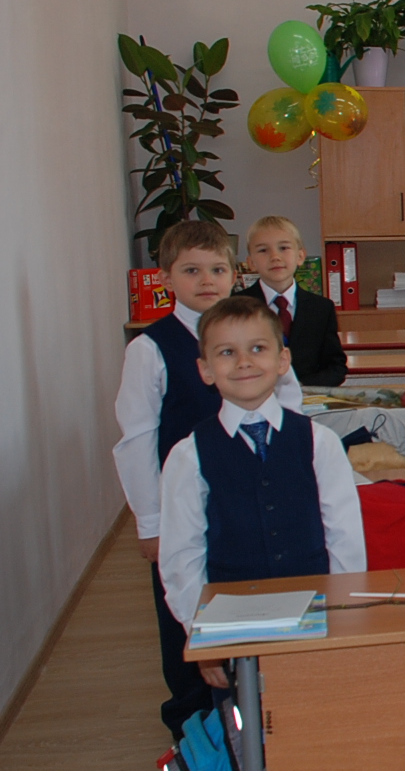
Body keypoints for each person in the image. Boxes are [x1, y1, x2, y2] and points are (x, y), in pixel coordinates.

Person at [114, 220, 306, 734]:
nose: (207, 281)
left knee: (255, 592)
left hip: (256, 495)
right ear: (166, 278)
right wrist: (150, 522)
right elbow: (136, 440)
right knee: (186, 604)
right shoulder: (151, 348)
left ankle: (264, 714)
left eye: (217, 270)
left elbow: (291, 401)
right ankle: (195, 723)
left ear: (234, 274)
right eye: (191, 271)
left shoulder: (257, 329)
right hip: (185, 503)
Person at [157, 297, 366, 689]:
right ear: (205, 369)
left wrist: (345, 613)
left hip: (315, 613)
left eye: (257, 348)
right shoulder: (188, 455)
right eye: (226, 352)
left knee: (317, 704)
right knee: (247, 716)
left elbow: (345, 537)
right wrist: (199, 632)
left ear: (283, 360)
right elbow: (181, 555)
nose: (244, 362)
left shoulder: (319, 442)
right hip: (231, 625)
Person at [237, 214, 345, 387]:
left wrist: (299, 387)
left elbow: (336, 368)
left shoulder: (321, 308)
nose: (275, 257)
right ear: (251, 263)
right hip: (253, 394)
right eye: (263, 250)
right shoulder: (235, 307)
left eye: (284, 248)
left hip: (307, 396)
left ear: (300, 256)